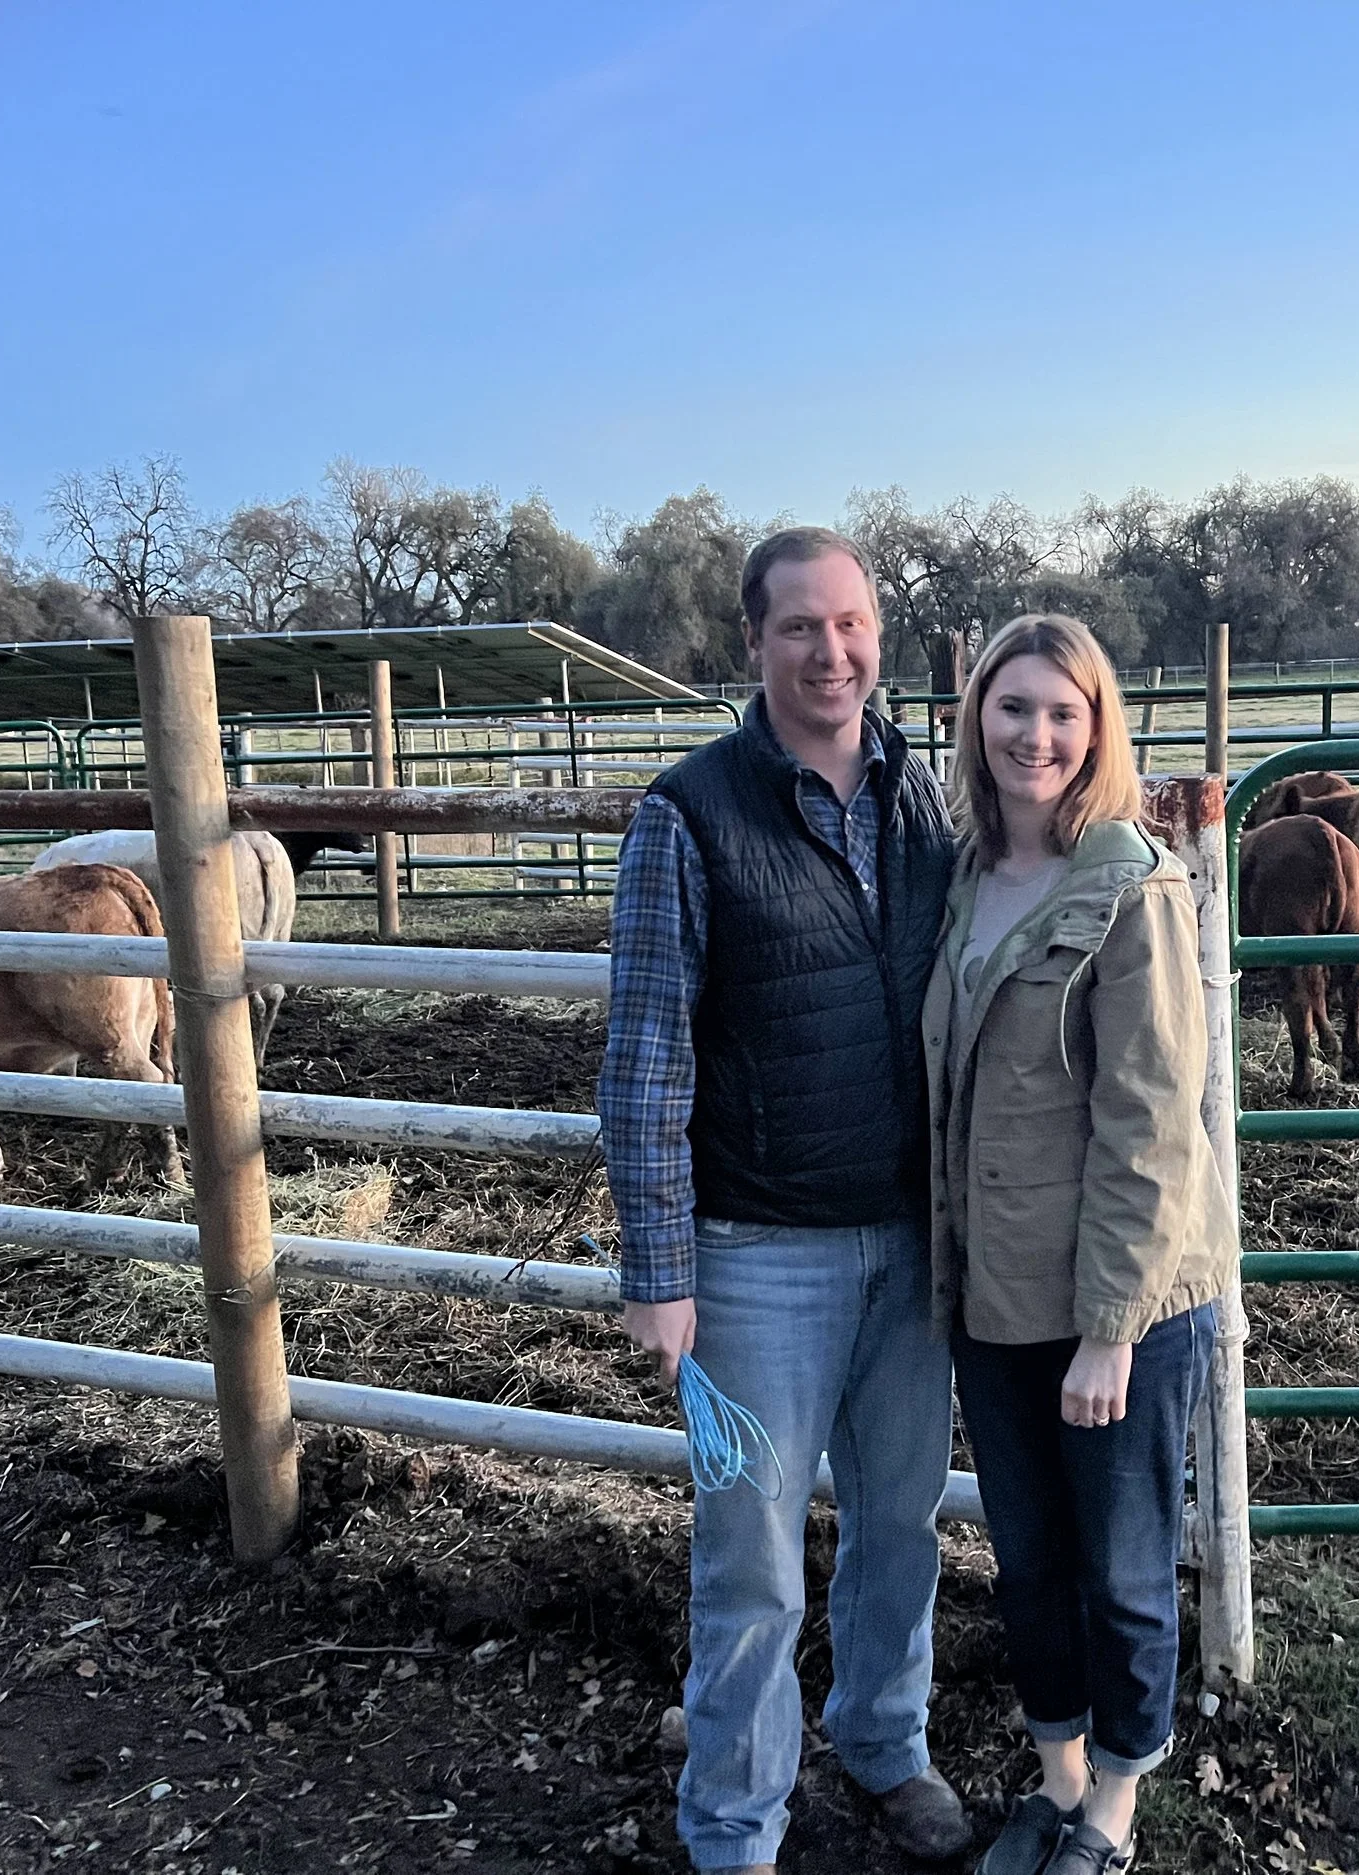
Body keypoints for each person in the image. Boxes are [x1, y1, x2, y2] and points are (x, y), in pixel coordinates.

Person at [598, 527, 971, 1873]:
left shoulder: (924, 800)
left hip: (911, 1238)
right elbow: (646, 1049)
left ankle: (884, 1737)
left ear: (881, 631)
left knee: (898, 1515)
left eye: (853, 622)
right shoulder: (688, 812)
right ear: (751, 642)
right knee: (750, 1549)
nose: (834, 651)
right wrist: (661, 1263)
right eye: (801, 627)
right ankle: (736, 1820)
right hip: (757, 1254)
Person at [923, 614, 1237, 1875]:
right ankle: (1055, 1777)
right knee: (1030, 1558)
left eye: (1064, 712)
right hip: (994, 1290)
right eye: (1013, 709)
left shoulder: (1133, 882)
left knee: (1119, 1569)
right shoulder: (965, 877)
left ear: (1098, 727)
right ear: (976, 720)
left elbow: (1153, 1122)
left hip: (1124, 1305)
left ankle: (1113, 1802)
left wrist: (1111, 1328)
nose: (1035, 735)